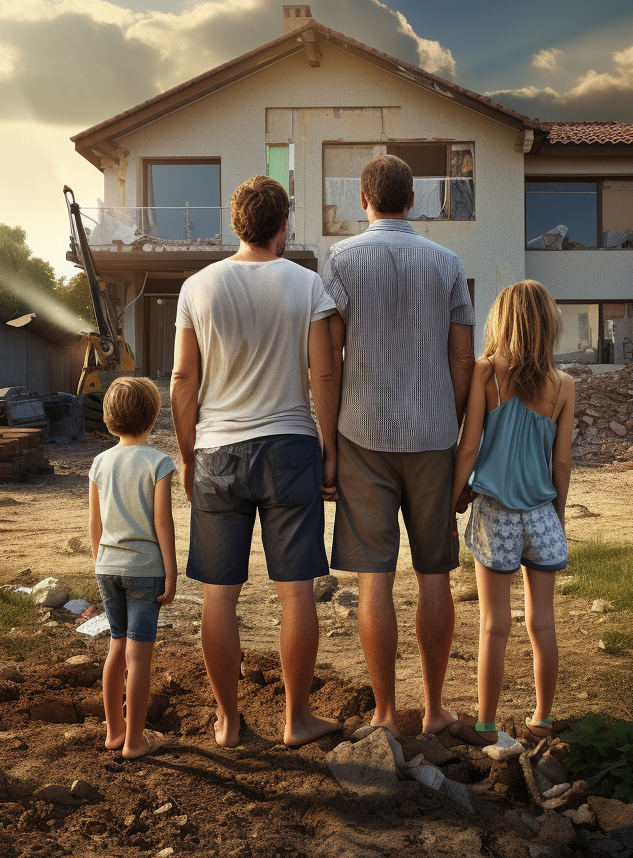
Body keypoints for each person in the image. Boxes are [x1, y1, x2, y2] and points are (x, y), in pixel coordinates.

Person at [171, 175, 343, 749]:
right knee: (294, 592)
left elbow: (182, 379)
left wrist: (189, 454)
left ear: (235, 223)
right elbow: (324, 374)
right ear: (283, 226)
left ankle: (226, 721)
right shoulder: (308, 286)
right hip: (289, 448)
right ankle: (296, 720)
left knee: (219, 596)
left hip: (217, 450)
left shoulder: (197, 287)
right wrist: (330, 449)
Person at [322, 153, 475, 737]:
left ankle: (385, 714)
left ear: (365, 199)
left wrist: (330, 443)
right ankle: (435, 710)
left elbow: (330, 363)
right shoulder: (447, 263)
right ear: (412, 200)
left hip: (361, 434)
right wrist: (453, 424)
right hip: (434, 434)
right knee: (435, 574)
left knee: (374, 580)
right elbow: (463, 357)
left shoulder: (340, 261)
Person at [448, 280, 574, 747]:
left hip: (496, 515)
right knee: (542, 623)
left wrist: (452, 501)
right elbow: (561, 464)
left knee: (494, 624)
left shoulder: (487, 375)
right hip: (541, 515)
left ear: (502, 321)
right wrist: (556, 518)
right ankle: (542, 718)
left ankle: (485, 723)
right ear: (548, 325)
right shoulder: (564, 385)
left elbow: (468, 449)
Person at [88, 376, 177, 759]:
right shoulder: (157, 462)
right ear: (153, 417)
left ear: (109, 419)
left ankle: (114, 733)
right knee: (139, 656)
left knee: (115, 647)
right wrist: (170, 571)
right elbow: (163, 523)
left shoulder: (99, 462)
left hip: (106, 567)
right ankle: (137, 741)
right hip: (145, 569)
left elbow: (95, 525)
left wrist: (100, 562)